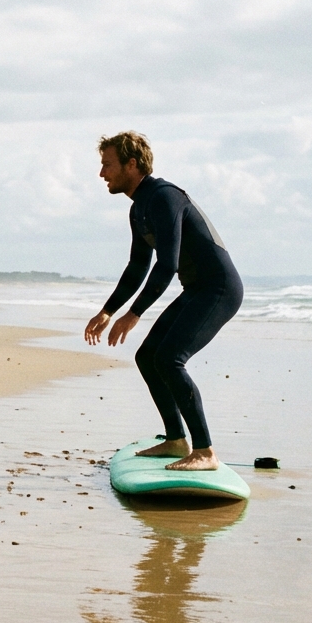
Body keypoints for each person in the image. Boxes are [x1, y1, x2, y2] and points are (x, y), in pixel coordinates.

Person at [84, 131, 242, 471]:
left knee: (170, 358)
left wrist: (134, 314)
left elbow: (166, 265)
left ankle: (205, 452)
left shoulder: (164, 197)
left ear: (132, 164)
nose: (102, 174)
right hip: (197, 290)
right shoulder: (139, 209)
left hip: (219, 289)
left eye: (107, 165)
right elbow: (138, 265)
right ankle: (175, 440)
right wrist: (108, 311)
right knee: (148, 356)